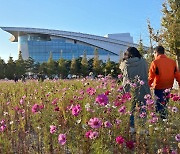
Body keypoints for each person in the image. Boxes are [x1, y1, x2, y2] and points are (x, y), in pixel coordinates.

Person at [120, 47, 150, 132]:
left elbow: (121, 69)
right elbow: (146, 71)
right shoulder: (143, 62)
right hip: (142, 87)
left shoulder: (125, 63)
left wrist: (123, 58)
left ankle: (132, 127)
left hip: (129, 88)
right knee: (142, 106)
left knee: (131, 108)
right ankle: (142, 126)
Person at [148, 45, 180, 119]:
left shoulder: (155, 62)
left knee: (159, 107)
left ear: (156, 53)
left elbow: (151, 77)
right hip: (168, 87)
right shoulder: (172, 62)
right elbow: (177, 75)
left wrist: (147, 86)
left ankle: (160, 123)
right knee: (165, 105)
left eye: (154, 54)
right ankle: (165, 121)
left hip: (158, 88)